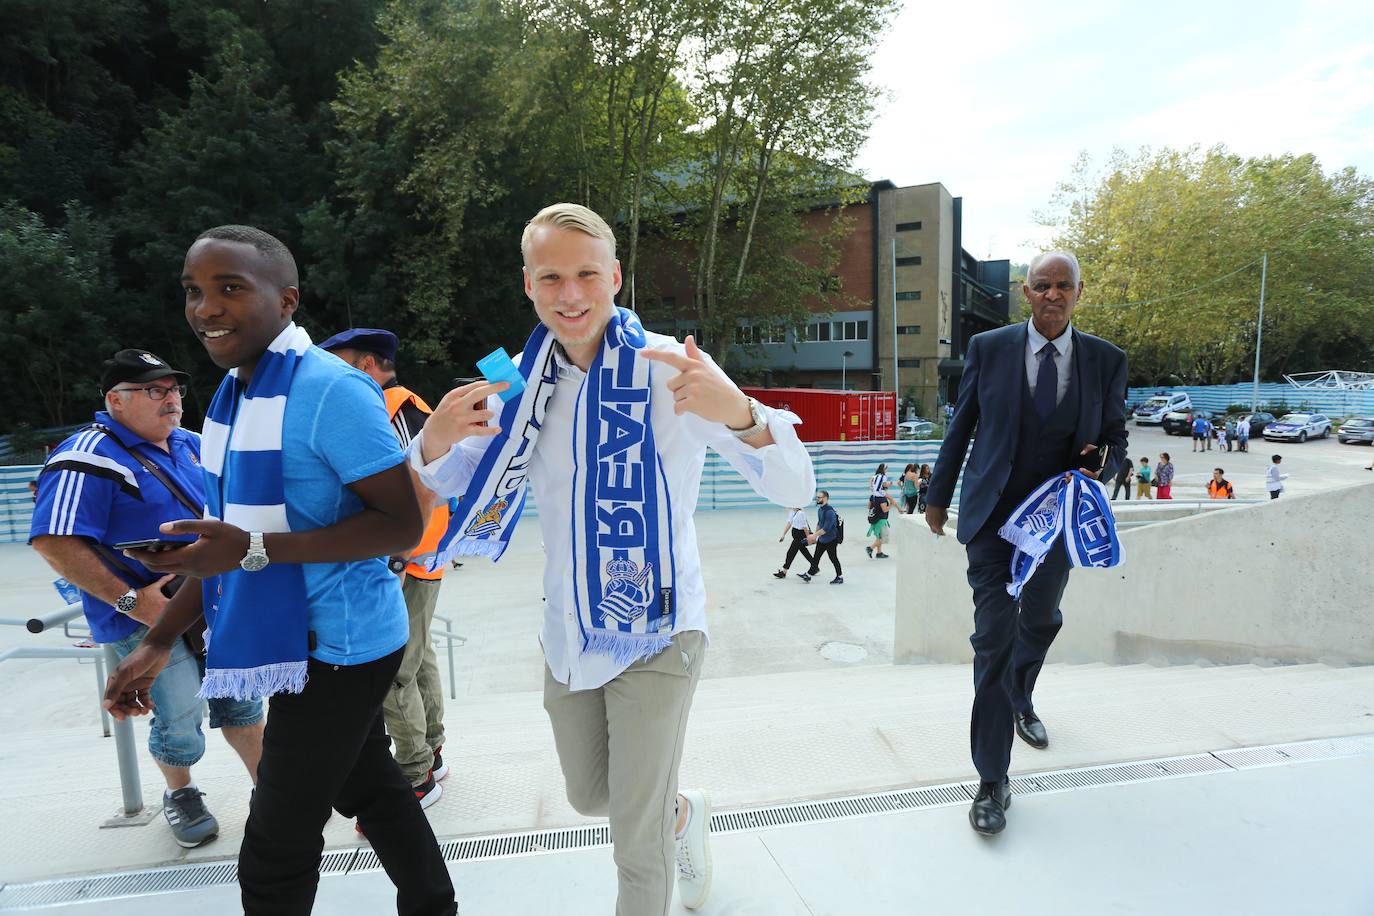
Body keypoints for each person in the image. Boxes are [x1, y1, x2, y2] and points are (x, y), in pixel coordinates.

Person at [409, 203, 815, 915]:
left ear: (617, 277)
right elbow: (441, 481)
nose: (571, 295)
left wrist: (742, 413)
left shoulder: (672, 367)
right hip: (569, 629)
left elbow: (794, 486)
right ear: (527, 285)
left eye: (587, 274)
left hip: (661, 629)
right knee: (590, 794)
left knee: (634, 842)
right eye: (551, 277)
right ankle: (679, 811)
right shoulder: (516, 385)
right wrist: (436, 439)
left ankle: (661, 828)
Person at [102, 226, 457, 915]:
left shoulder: (333, 392)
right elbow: (222, 550)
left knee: (276, 842)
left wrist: (256, 550)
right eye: (194, 291)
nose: (206, 308)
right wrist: (153, 644)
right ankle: (433, 905)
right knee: (370, 788)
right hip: (297, 646)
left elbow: (400, 525)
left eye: (230, 288)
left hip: (342, 649)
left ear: (286, 300)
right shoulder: (235, 401)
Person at [923, 250, 1128, 836]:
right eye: (1043, 285)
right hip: (992, 521)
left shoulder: (1106, 361)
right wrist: (938, 496)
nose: (1053, 294)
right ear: (1027, 293)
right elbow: (961, 426)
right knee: (993, 636)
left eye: (1064, 285)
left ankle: (1021, 695)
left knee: (1040, 620)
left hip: (1054, 527)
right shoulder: (989, 349)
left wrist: (1102, 468)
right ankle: (992, 779)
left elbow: (1116, 438)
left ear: (1078, 293)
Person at [30, 349, 265, 850]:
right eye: (155, 390)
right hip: (143, 612)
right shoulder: (85, 456)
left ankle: (272, 791)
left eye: (175, 388)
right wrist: (133, 602)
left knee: (242, 700)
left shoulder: (195, 443)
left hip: (212, 600)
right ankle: (180, 795)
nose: (173, 399)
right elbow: (53, 539)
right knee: (178, 714)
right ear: (116, 400)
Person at [321, 327, 451, 809]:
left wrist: (397, 556)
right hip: (418, 557)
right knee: (419, 659)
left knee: (395, 670)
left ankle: (415, 775)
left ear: (368, 365)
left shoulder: (391, 411)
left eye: (340, 362)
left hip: (406, 560)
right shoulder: (413, 409)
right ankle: (432, 750)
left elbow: (413, 488)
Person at [802, 489, 843, 584]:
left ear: (825, 498)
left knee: (833, 558)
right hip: (822, 539)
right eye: (816, 497)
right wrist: (815, 537)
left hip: (831, 539)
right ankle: (809, 574)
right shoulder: (820, 509)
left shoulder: (829, 512)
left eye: (819, 497)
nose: (817, 499)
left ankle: (840, 576)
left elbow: (826, 529)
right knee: (816, 557)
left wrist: (814, 536)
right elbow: (819, 523)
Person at [774, 506, 815, 580]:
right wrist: (783, 534)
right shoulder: (792, 512)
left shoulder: (800, 513)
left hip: (800, 535)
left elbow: (805, 527)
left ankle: (784, 572)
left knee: (790, 553)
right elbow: (789, 523)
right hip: (796, 535)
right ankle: (815, 566)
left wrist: (808, 538)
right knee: (803, 551)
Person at [866, 490, 892, 558]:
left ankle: (879, 553)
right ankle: (870, 548)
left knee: (879, 537)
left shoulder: (873, 496)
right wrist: (892, 503)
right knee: (883, 538)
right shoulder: (882, 498)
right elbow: (885, 510)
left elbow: (869, 506)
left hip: (875, 519)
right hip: (881, 520)